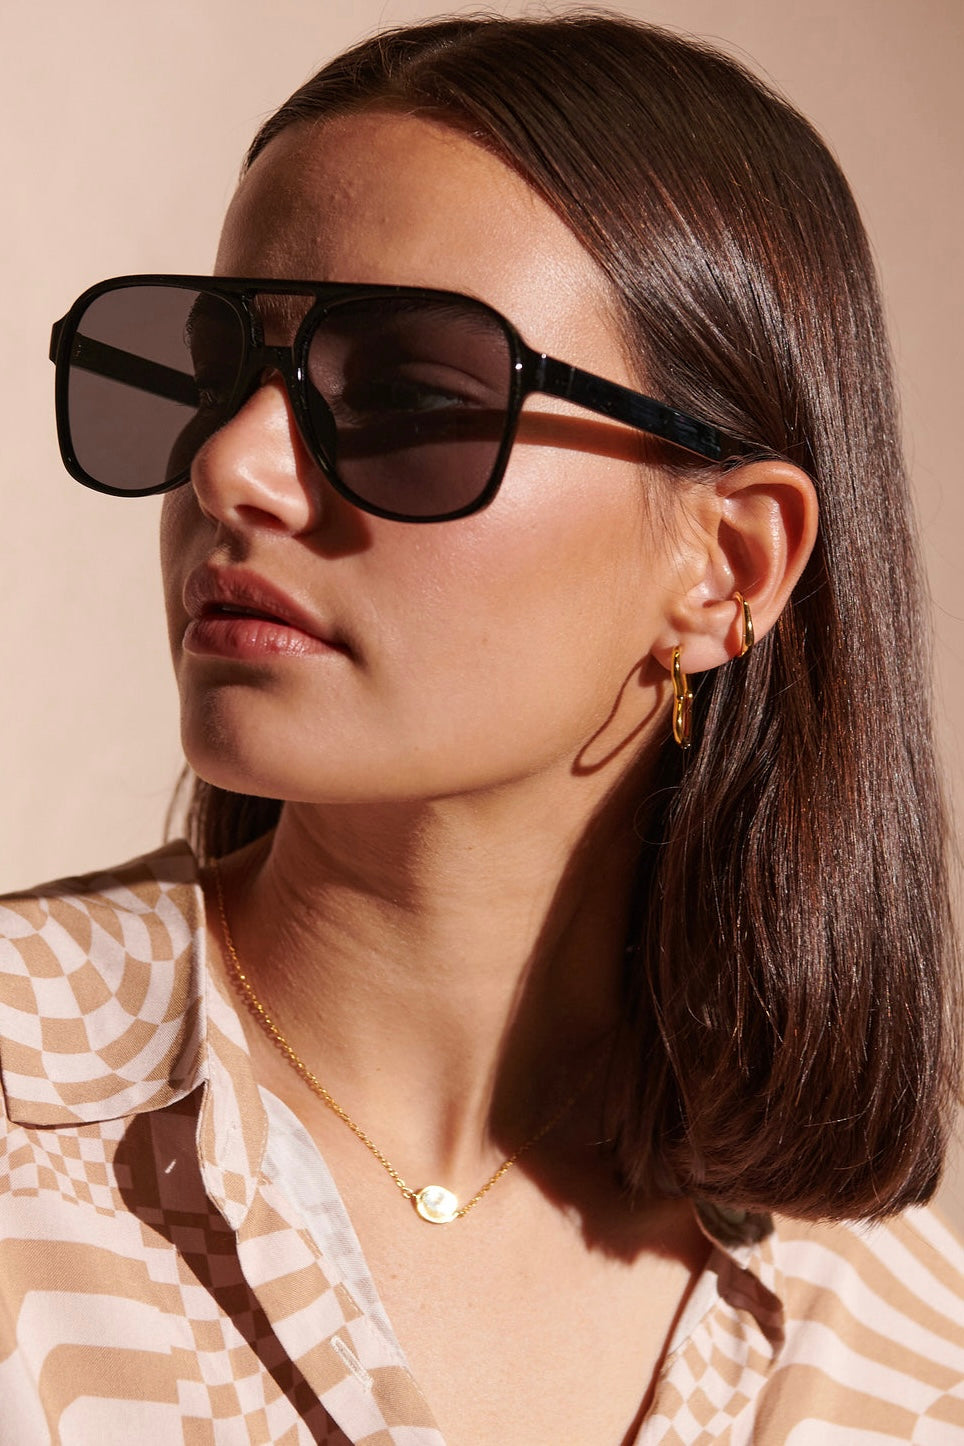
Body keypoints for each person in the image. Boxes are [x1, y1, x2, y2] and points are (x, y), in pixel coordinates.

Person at [2, 12, 963, 1443]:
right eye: (216, 373)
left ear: (728, 569)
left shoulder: (900, 1342)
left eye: (405, 395)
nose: (229, 464)